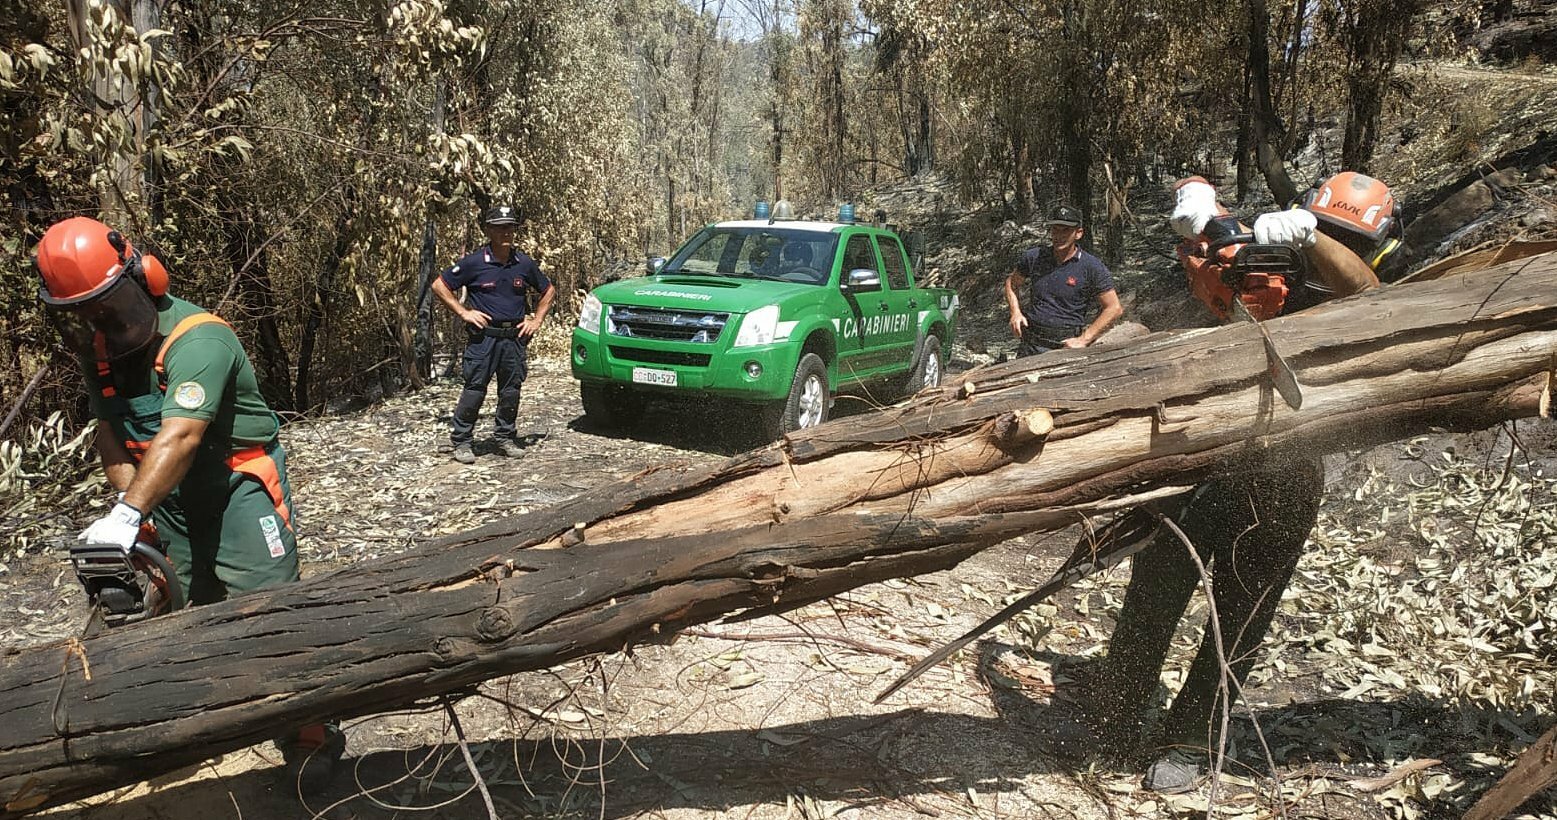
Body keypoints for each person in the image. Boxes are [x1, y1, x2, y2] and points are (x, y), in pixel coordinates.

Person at [1081, 172, 1405, 793]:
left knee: (1241, 616)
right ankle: (1114, 716)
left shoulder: (1375, 290)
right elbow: (1216, 232)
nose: (1332, 250)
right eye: (1326, 231)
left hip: (1290, 470)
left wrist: (1313, 240)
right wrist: (1198, 204)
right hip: (1208, 448)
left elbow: (1370, 296)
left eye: (1347, 241)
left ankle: (1190, 741)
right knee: (1155, 589)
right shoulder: (1269, 249)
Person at [35, 216, 344, 794]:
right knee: (188, 607)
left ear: (143, 278)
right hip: (165, 494)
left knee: (270, 610)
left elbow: (180, 436)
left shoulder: (199, 339)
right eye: (86, 314)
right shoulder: (99, 351)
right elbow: (112, 433)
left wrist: (130, 514)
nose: (101, 324)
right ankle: (204, 718)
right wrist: (131, 511)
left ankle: (309, 737)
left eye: (107, 308)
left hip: (235, 485)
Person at [432, 205, 556, 464]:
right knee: (475, 389)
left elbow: (548, 290)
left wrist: (537, 320)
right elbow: (439, 285)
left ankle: (505, 437)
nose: (505, 232)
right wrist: (464, 312)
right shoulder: (475, 262)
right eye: (499, 227)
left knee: (511, 390)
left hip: (514, 338)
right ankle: (462, 441)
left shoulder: (523, 263)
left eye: (510, 227)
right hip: (483, 339)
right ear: (488, 230)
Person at [1004, 204, 1124, 357]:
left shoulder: (1091, 266)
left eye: (1066, 230)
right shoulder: (1035, 257)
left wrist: (1084, 339)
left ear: (1078, 233)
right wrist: (1015, 312)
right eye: (1055, 229)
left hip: (1066, 346)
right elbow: (1011, 283)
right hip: (1031, 343)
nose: (1059, 235)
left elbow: (1114, 308)